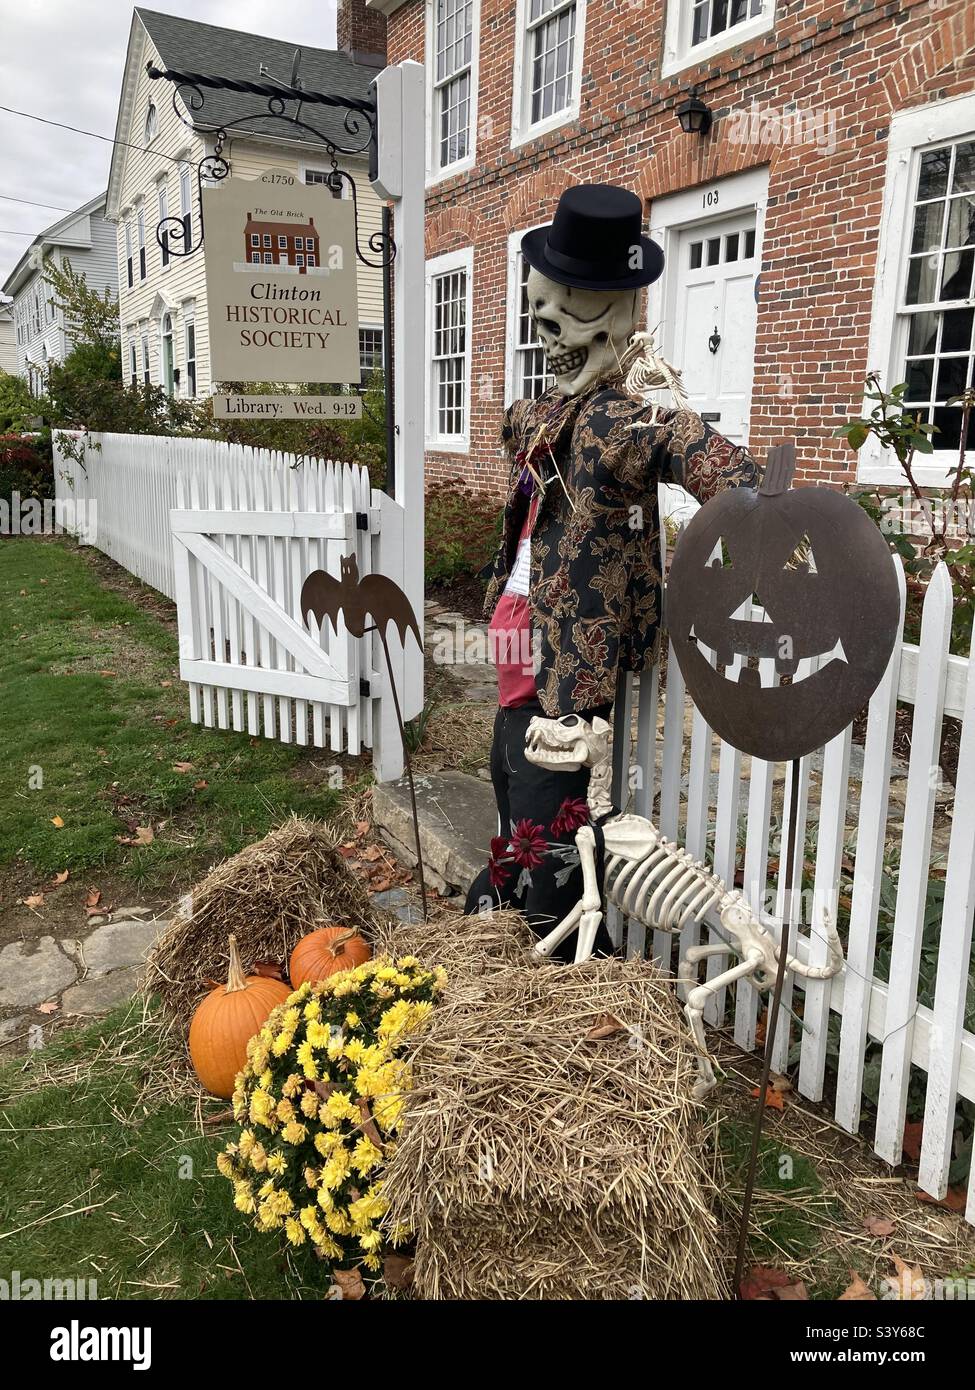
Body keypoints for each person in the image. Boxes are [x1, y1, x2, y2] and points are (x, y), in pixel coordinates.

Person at [463, 184, 759, 960]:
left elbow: (681, 443)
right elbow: (519, 437)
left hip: (565, 670)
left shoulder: (612, 421)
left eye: (568, 307)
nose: (546, 327)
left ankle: (549, 948)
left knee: (550, 808)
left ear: (618, 313)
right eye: (541, 308)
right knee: (509, 784)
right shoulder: (548, 415)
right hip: (516, 657)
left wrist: (759, 503)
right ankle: (508, 889)